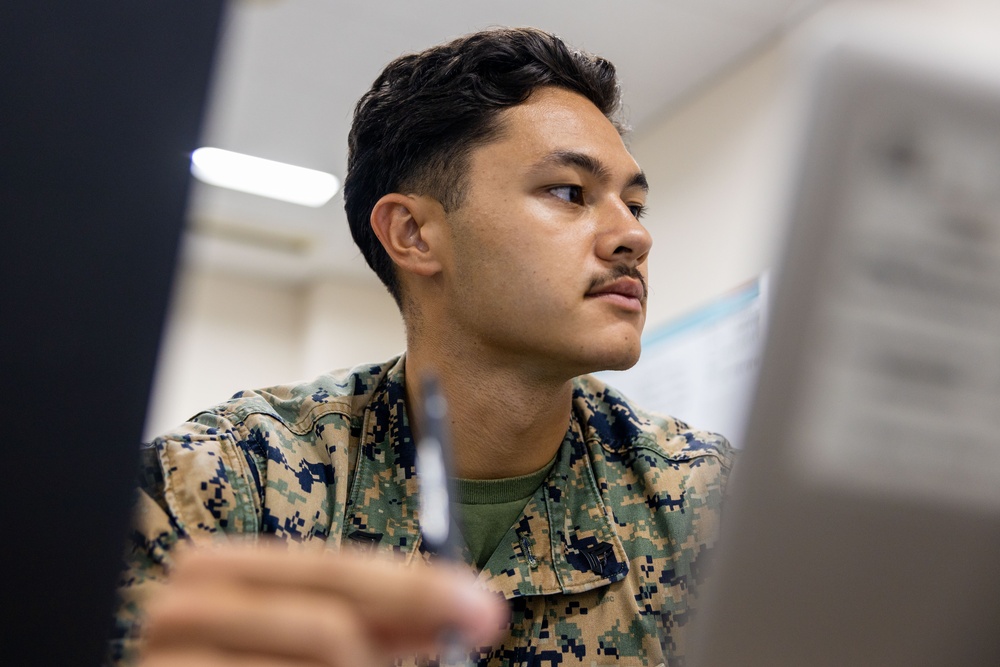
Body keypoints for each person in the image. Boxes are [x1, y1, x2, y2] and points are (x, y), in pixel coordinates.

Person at [109, 27, 734, 667]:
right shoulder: (230, 484)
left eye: (636, 204)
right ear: (413, 235)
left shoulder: (710, 504)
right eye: (569, 192)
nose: (633, 235)